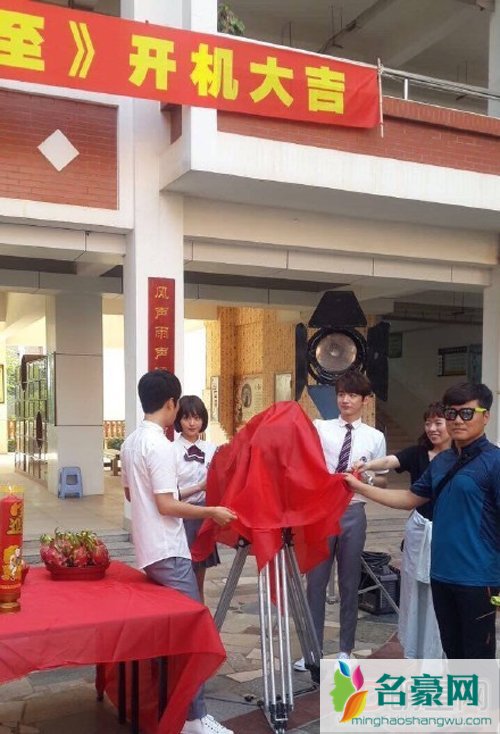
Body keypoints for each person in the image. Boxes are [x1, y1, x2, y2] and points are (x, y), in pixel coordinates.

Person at [344, 382, 500, 659]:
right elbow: (409, 498)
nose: (457, 420)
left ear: (485, 416)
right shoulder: (442, 461)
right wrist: (360, 487)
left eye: (467, 413)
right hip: (441, 573)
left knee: (477, 657)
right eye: (451, 413)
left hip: (478, 579)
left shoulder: (494, 462)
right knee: (452, 651)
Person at [121, 369, 237, 734]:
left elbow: (131, 495)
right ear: (171, 404)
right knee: (192, 635)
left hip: (148, 550)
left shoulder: (130, 442)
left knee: (170, 633)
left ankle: (170, 707)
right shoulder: (159, 445)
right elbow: (166, 505)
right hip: (169, 550)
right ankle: (194, 718)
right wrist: (211, 511)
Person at [294, 370, 387, 671]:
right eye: (342, 394)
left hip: (353, 511)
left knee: (349, 582)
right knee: (315, 582)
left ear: (365, 400)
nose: (345, 400)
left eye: (352, 395)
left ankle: (346, 649)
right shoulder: (320, 428)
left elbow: (383, 480)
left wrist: (365, 476)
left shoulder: (375, 437)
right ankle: (312, 650)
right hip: (321, 511)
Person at [354, 403, 450, 658]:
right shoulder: (418, 453)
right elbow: (391, 460)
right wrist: (367, 466)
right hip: (420, 530)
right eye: (428, 423)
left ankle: (439, 652)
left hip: (448, 536)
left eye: (438, 423)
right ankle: (415, 649)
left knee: (441, 596)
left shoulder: (460, 457)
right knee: (413, 592)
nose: (432, 428)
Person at [174, 395, 220, 603]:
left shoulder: (212, 450)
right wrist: (199, 487)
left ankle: (200, 614)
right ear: (178, 420)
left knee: (199, 580)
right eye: (186, 418)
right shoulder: (171, 451)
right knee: (182, 579)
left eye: (197, 418)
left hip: (203, 518)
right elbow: (170, 494)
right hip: (180, 517)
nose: (192, 423)